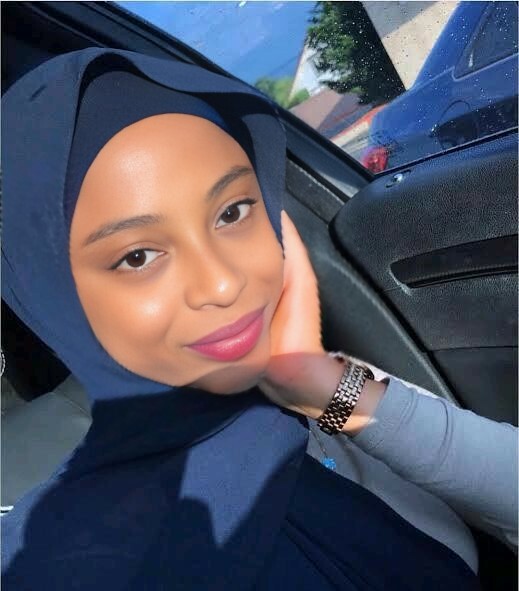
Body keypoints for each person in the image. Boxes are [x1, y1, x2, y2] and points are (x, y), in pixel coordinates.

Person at [1, 47, 516, 590]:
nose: (223, 283)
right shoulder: (67, 559)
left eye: (233, 212)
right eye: (137, 256)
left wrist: (321, 385)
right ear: (51, 293)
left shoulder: (297, 397)